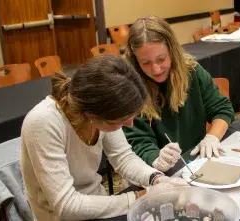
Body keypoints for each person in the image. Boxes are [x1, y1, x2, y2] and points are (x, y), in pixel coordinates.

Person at [20, 55, 188, 221]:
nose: (130, 124)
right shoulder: (43, 123)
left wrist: (156, 179)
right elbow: (67, 206)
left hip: (98, 206)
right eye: (122, 120)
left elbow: (124, 159)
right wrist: (142, 196)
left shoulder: (100, 110)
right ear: (92, 115)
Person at [123, 16, 235, 172]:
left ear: (172, 50)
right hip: (153, 171)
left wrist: (212, 137)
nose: (156, 69)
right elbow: (137, 141)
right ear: (135, 60)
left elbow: (222, 109)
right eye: (145, 63)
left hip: (195, 161)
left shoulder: (192, 72)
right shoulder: (130, 88)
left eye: (161, 59)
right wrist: (156, 159)